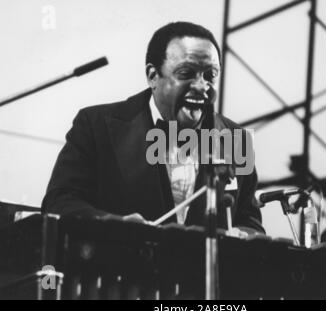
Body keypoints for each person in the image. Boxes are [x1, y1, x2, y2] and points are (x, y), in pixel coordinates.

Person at [41, 21, 265, 236]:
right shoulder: (95, 125)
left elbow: (250, 222)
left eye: (210, 75)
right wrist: (113, 227)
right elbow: (60, 203)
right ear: (152, 76)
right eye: (186, 73)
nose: (201, 86)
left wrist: (244, 235)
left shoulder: (236, 140)